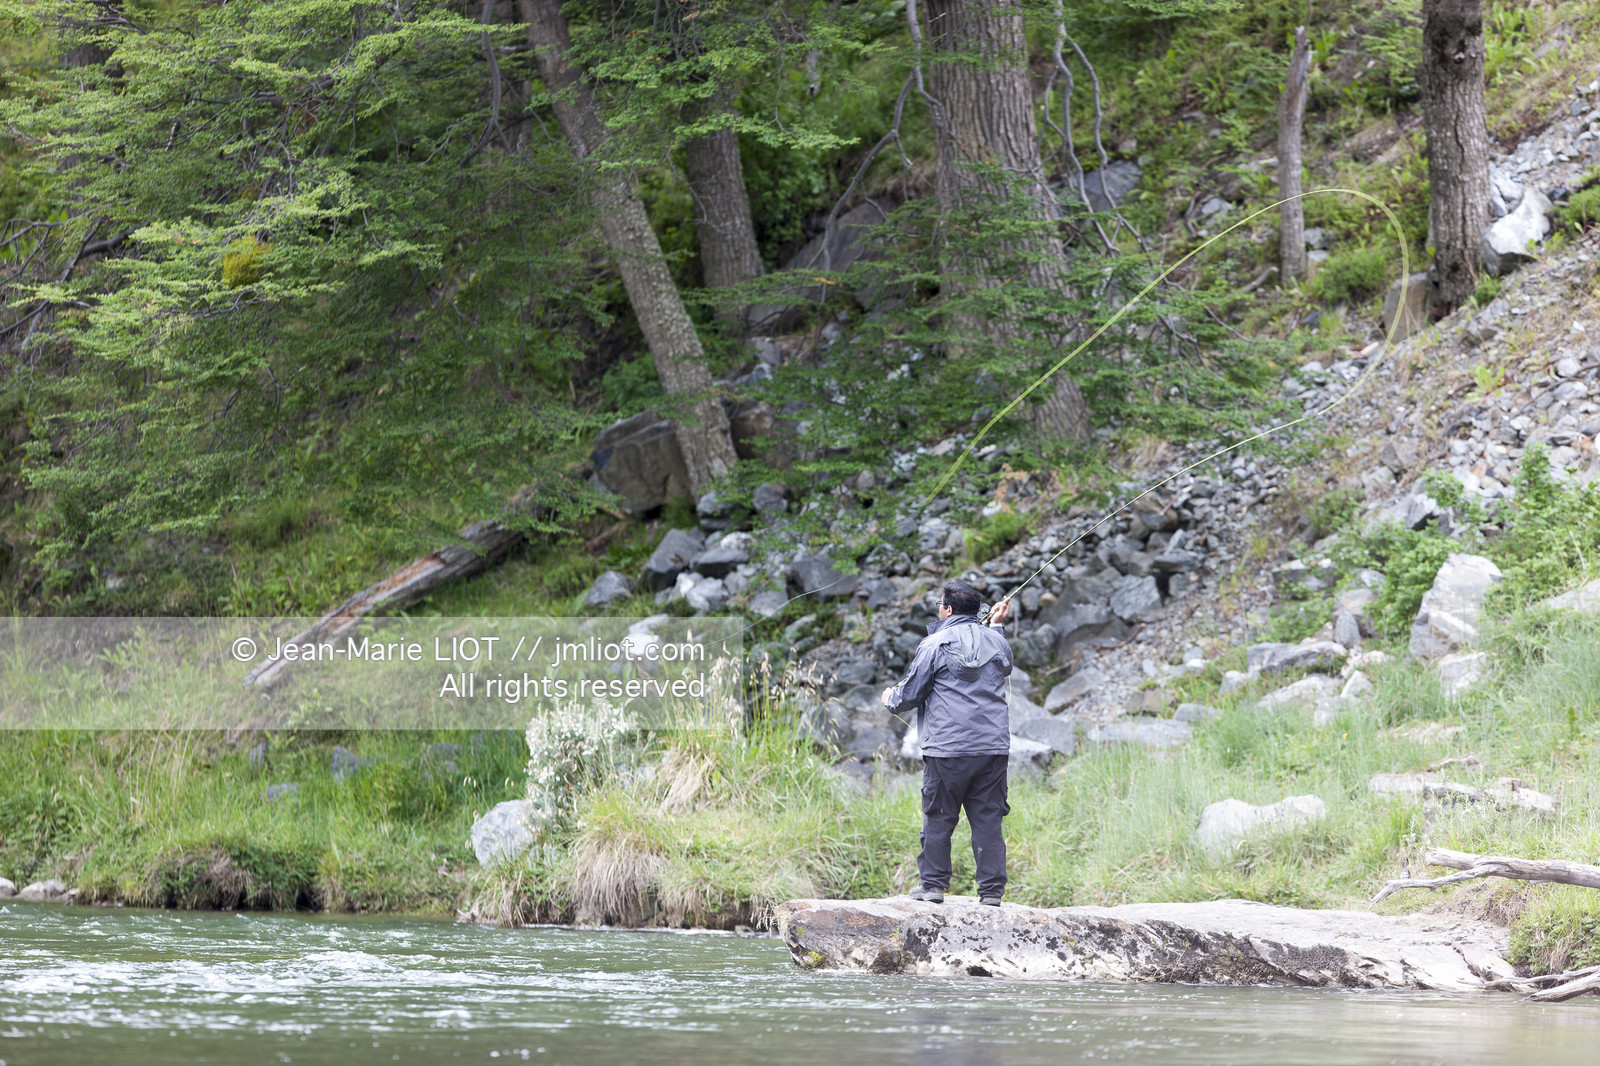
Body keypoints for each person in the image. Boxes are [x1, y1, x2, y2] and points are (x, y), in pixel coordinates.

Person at [880, 580, 1014, 906]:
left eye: (940, 604)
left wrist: (889, 698)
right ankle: (992, 894)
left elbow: (909, 695)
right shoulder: (998, 643)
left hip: (947, 750)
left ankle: (933, 887)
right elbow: (1004, 665)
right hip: (992, 749)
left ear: (948, 609)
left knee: (939, 816)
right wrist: (995, 627)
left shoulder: (933, 643)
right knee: (987, 820)